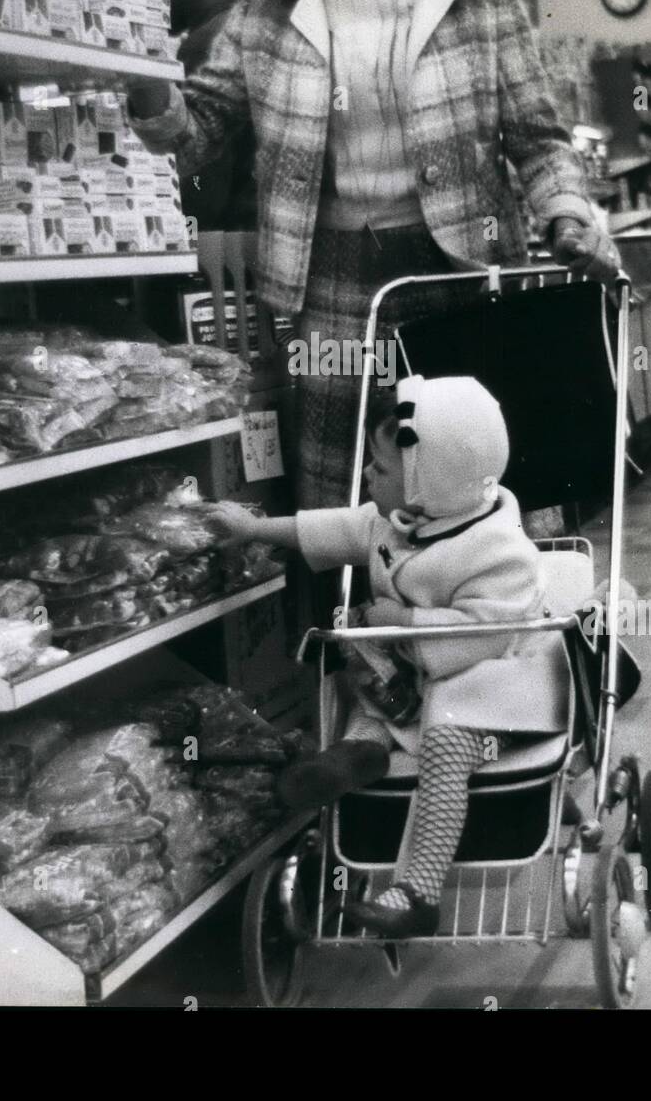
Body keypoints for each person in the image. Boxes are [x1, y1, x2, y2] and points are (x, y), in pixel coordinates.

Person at [125, 0, 619, 512]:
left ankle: (489, 624)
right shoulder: (263, 3)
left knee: (477, 489)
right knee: (348, 495)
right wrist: (135, 71)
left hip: (461, 269)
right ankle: (363, 631)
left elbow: (538, 138)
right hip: (327, 283)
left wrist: (567, 215)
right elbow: (199, 135)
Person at [210, 375, 571, 938]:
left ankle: (418, 892)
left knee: (445, 742)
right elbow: (332, 526)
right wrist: (253, 529)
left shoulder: (502, 553)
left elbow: (487, 632)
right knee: (367, 692)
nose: (367, 477)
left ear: (431, 480)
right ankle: (358, 754)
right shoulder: (398, 521)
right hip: (419, 672)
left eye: (380, 469)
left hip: (496, 683)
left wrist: (405, 622)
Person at [119, 0, 255, 230]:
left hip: (234, 243)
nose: (128, 6)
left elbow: (202, 183)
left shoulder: (203, 44)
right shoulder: (248, 20)